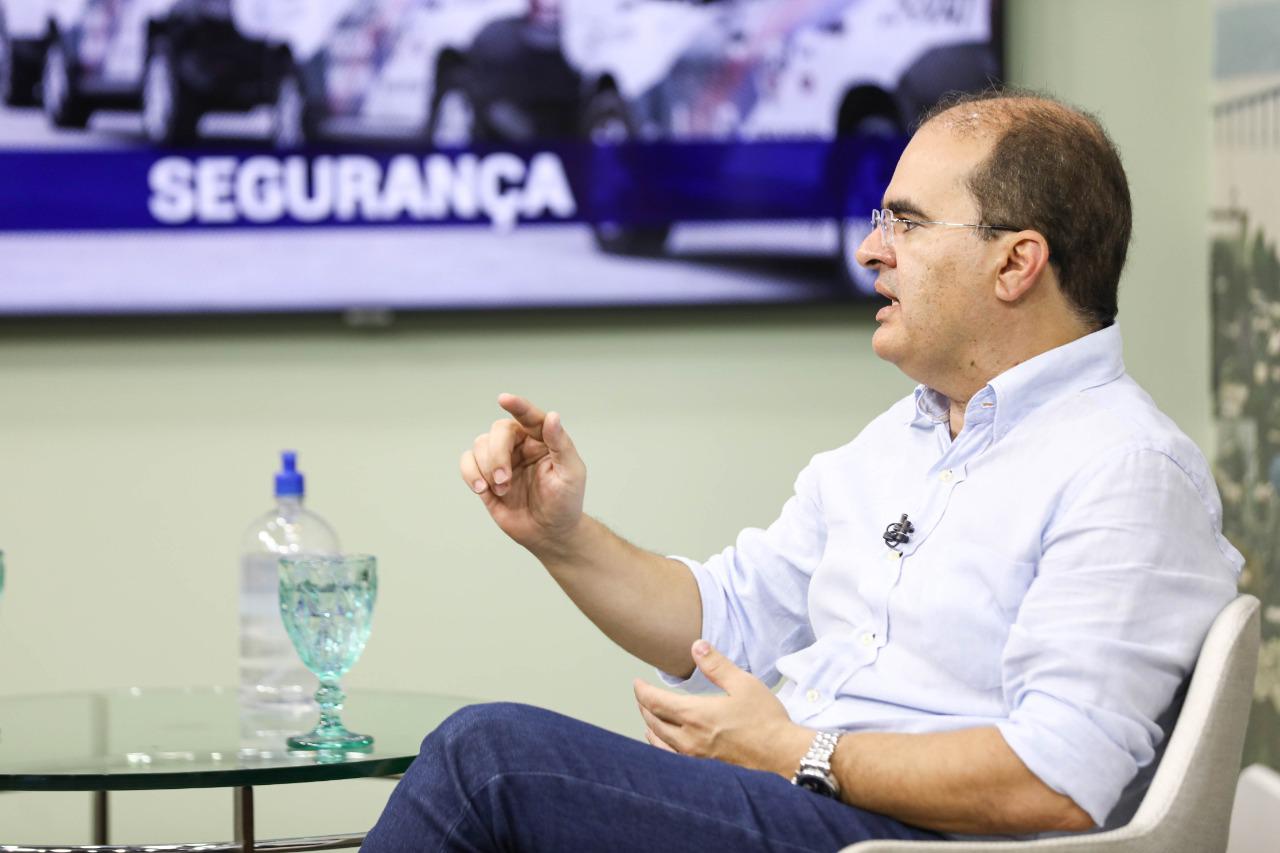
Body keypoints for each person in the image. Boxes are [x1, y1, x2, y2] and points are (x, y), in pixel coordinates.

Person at [363, 89, 1242, 852]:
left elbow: (1057, 777)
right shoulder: (897, 441)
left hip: (915, 842)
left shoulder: (1128, 469)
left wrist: (793, 751)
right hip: (811, 803)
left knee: (488, 763)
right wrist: (560, 535)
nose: (870, 250)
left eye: (906, 222)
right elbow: (726, 619)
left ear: (1016, 261)